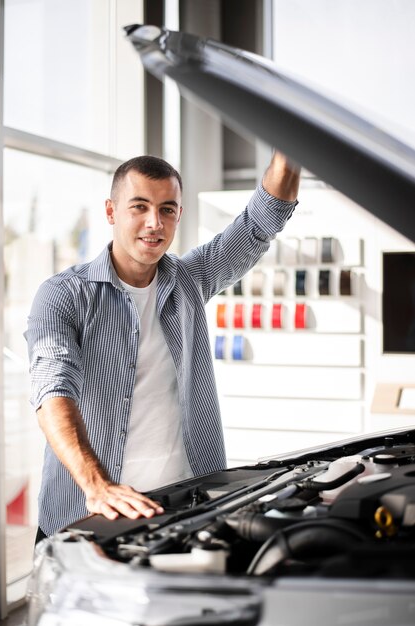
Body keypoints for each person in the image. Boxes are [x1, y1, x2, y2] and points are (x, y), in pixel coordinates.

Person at [25, 151, 300, 540]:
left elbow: (260, 221)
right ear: (111, 211)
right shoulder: (63, 296)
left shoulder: (191, 279)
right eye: (140, 207)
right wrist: (97, 486)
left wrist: (291, 152)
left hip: (186, 508)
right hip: (88, 516)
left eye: (167, 210)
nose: (154, 223)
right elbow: (52, 390)